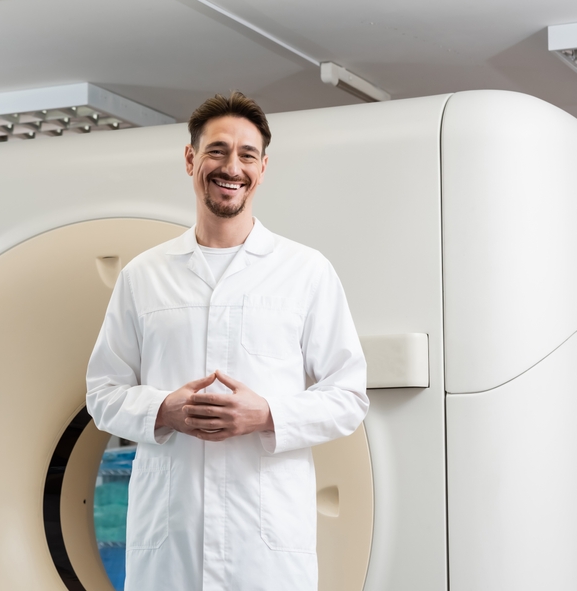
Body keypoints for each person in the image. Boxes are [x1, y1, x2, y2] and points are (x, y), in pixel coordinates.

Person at [85, 91, 369, 591]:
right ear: (191, 158)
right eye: (217, 150)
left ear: (262, 168)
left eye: (246, 154)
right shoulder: (143, 276)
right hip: (171, 540)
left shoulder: (305, 272)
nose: (231, 166)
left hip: (264, 545)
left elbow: (348, 396)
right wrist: (162, 409)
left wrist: (267, 416)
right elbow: (102, 393)